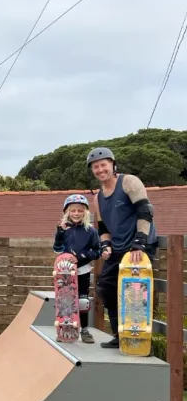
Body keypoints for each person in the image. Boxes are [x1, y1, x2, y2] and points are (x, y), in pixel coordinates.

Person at [87, 147, 158, 349]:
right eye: (95, 167)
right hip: (118, 249)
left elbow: (145, 211)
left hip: (139, 246)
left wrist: (140, 243)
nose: (100, 170)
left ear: (112, 164)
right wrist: (106, 244)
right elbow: (103, 227)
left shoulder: (129, 182)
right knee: (106, 287)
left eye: (103, 165)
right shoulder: (98, 198)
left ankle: (142, 339)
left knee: (136, 291)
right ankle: (121, 335)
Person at [52, 193, 101, 343]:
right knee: (65, 299)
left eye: (80, 210)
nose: (76, 213)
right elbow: (57, 249)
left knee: (82, 301)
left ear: (85, 212)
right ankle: (65, 327)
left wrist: (81, 257)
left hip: (82, 270)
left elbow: (97, 251)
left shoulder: (91, 231)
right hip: (65, 272)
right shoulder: (63, 229)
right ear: (67, 212)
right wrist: (60, 233)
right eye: (73, 210)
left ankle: (84, 330)